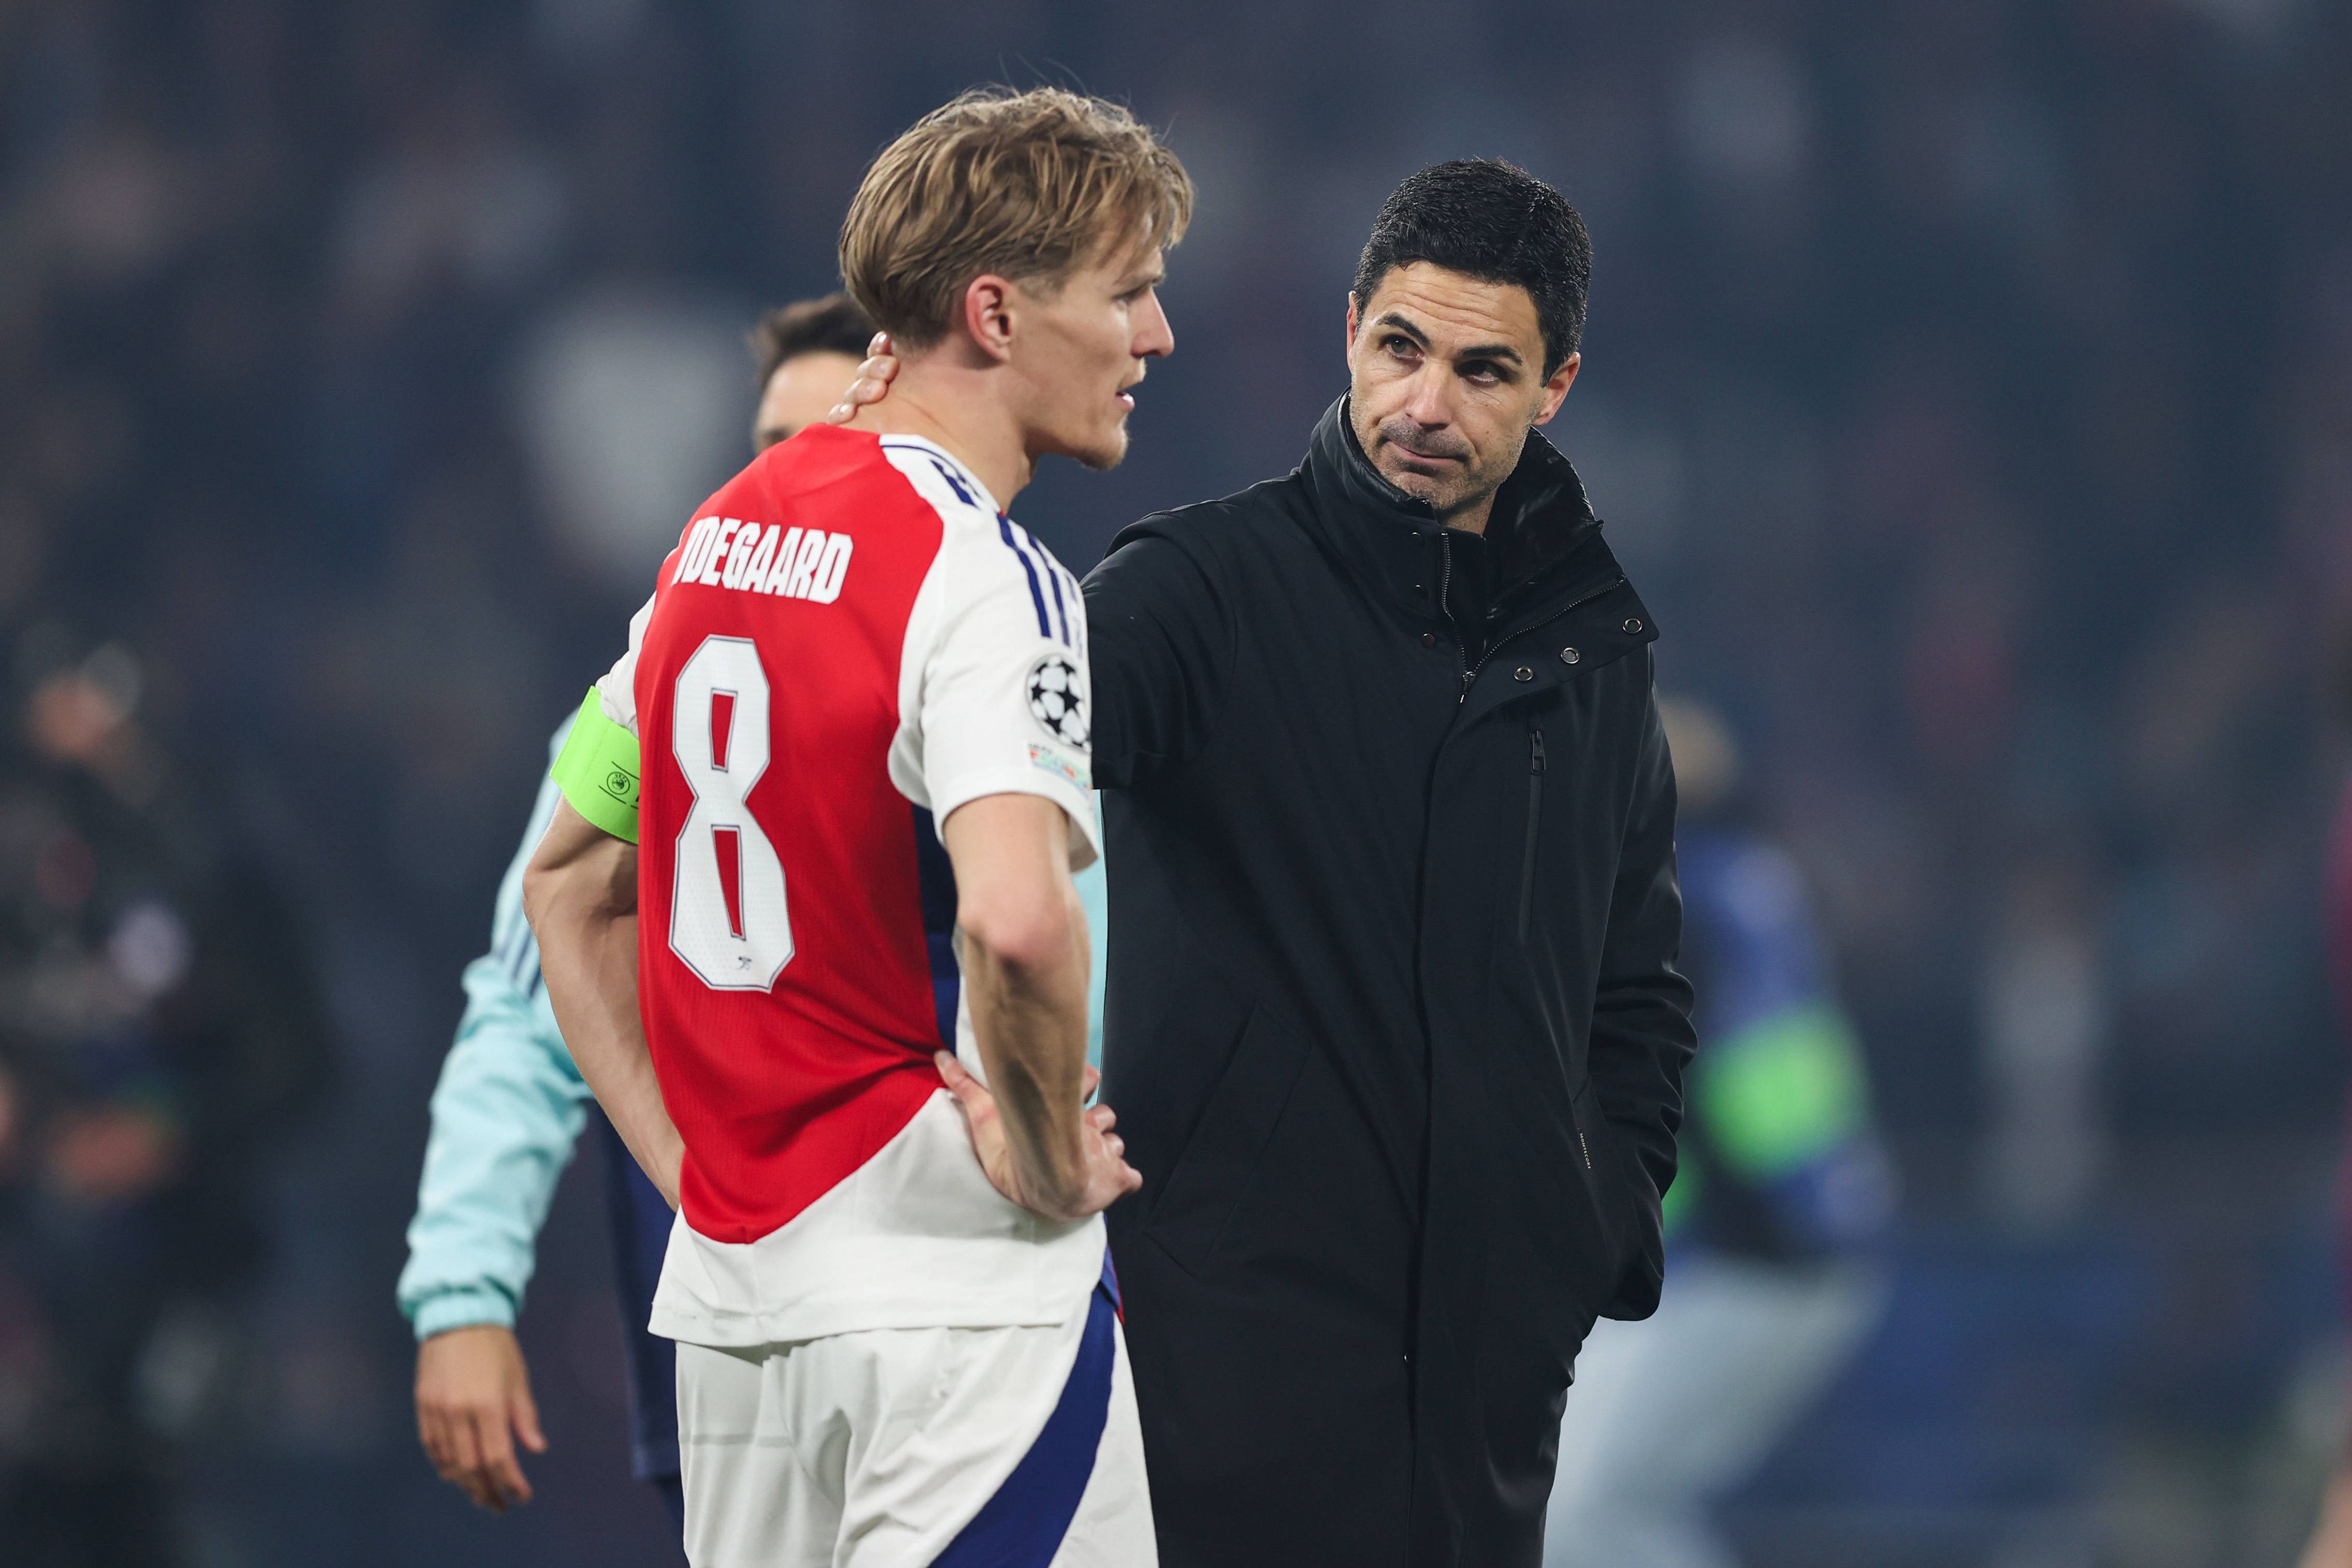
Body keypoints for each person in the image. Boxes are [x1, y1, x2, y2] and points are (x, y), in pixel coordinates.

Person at [844, 156, 1698, 1566]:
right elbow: (940, 788)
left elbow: (1635, 991)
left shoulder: (1591, 651)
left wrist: (1582, 1227)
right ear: (1349, 324)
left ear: (1556, 387)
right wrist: (977, 1098)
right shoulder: (1197, 589)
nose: (1424, 404)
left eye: (1483, 371)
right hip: (1220, 1367)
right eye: (1398, 348)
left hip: (1485, 1384)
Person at [524, 88, 1189, 1565]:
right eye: (1129, 294)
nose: (1154, 338)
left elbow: (567, 883)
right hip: (958, 1307)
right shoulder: (984, 578)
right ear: (998, 311)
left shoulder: (708, 544)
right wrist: (1037, 1150)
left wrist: (695, 1174)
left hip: (740, 1318)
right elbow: (1015, 920)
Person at [396, 292, 881, 1530]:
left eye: (835, 443)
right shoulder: (641, 702)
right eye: (772, 446)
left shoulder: (1002, 684)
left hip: (960, 1319)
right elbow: (522, 1003)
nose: (797, 480)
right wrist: (462, 1287)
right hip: (720, 1331)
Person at [0, 634, 333, 1566]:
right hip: (29, 1284)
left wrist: (168, 1128)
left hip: (177, 1290)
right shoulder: (18, 854)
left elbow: (300, 1062)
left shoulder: (206, 867)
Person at [1544, 697, 1893, 1568]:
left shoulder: (1670, 897)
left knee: (1580, 1511)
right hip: (1792, 1253)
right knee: (1585, 1505)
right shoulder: (1741, 876)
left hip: (1754, 1260)